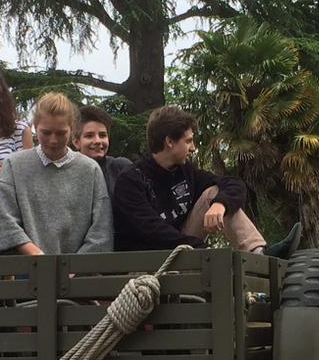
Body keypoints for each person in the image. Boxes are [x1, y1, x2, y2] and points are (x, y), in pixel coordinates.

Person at [113, 106, 301, 257]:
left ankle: (259, 253)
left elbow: (234, 184)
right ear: (169, 142)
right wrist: (205, 250)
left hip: (185, 249)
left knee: (215, 192)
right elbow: (152, 231)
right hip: (145, 261)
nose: (193, 148)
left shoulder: (185, 171)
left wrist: (220, 204)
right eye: (188, 141)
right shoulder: (131, 180)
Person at [0, 93, 112, 256]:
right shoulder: (14, 165)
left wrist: (72, 266)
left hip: (79, 269)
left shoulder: (90, 170)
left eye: (61, 133)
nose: (53, 140)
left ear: (72, 130)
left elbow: (101, 230)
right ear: (35, 127)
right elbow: (5, 220)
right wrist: (38, 257)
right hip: (26, 266)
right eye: (46, 133)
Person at [75, 104, 132, 200]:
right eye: (89, 136)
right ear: (76, 142)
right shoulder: (68, 173)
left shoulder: (121, 168)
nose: (98, 141)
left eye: (102, 135)